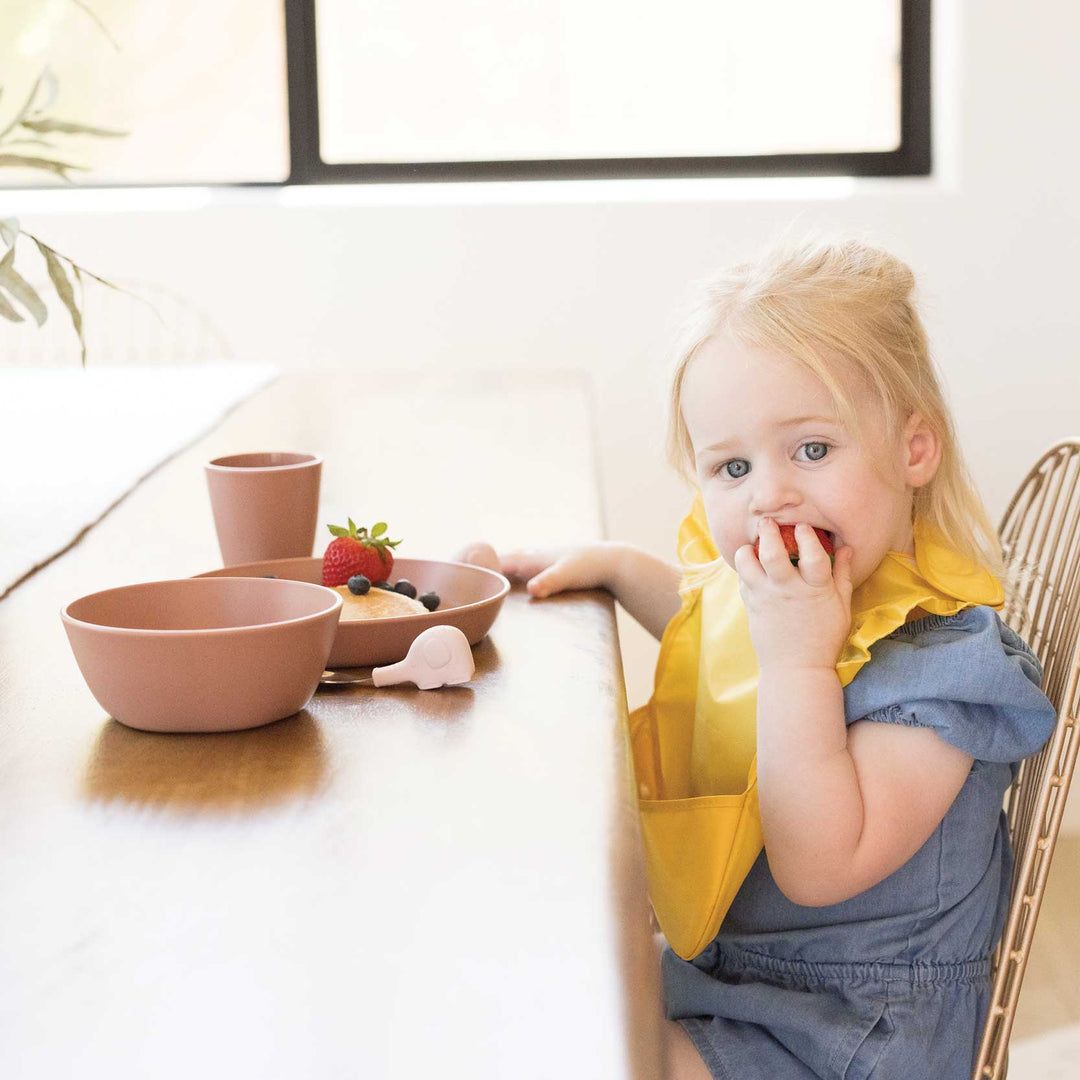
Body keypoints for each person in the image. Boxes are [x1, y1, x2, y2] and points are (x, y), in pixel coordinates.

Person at [460, 237, 1057, 1080]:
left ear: (914, 449)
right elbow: (730, 649)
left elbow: (820, 864)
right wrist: (624, 569)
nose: (768, 492)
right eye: (732, 466)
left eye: (812, 450)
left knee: (587, 1047)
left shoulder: (943, 675)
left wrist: (797, 666)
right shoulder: (807, 607)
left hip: (849, 1036)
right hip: (734, 974)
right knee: (530, 981)